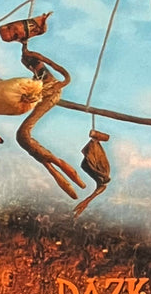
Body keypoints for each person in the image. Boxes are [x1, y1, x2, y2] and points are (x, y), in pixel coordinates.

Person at [13, 46, 86, 199]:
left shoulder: (47, 78)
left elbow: (66, 78)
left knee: (23, 134)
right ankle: (57, 169)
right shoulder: (37, 78)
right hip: (46, 92)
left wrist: (43, 60)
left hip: (51, 94)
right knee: (24, 137)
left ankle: (62, 169)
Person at [72, 130, 111, 216]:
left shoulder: (102, 174)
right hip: (99, 173)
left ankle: (84, 203)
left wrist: (86, 201)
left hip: (98, 172)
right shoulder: (103, 174)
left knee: (88, 165)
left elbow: (102, 185)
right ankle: (84, 203)